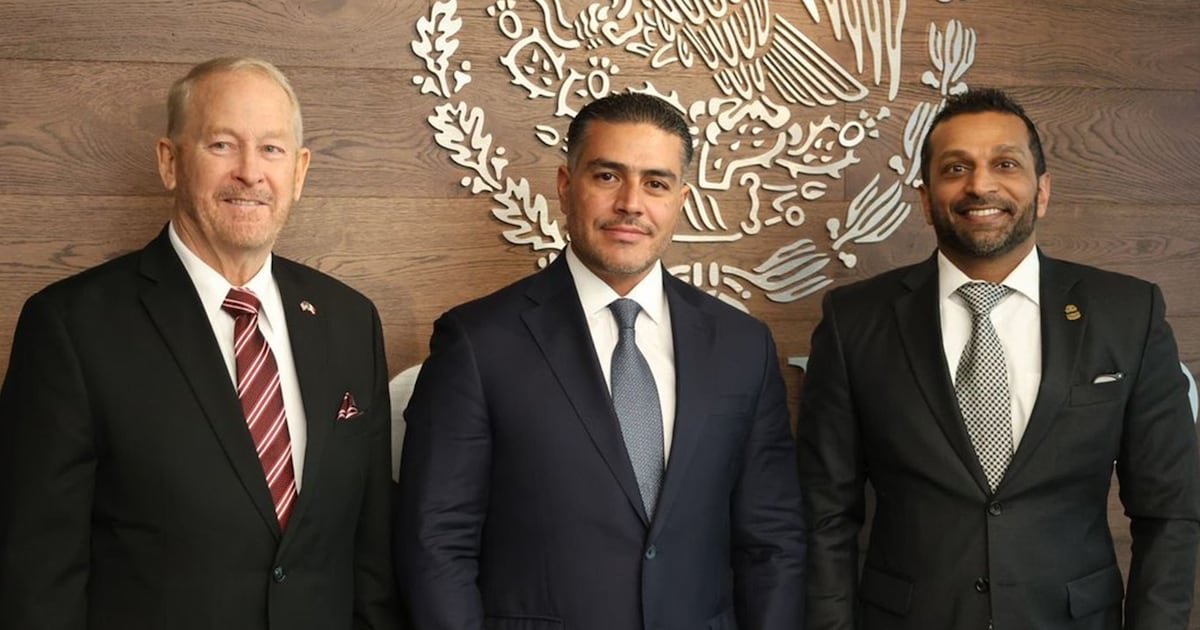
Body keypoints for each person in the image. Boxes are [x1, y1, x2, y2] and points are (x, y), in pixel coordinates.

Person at [0, 57, 398, 629]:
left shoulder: (350, 321)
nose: (249, 173)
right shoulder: (72, 326)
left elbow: (371, 559)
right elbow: (37, 576)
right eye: (221, 145)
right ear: (170, 162)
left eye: (271, 149)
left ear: (300, 171)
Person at [394, 92, 805, 630]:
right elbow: (436, 541)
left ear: (681, 200)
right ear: (566, 187)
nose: (631, 203)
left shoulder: (741, 345)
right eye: (608, 176)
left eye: (655, 183)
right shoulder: (477, 342)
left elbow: (773, 538)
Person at [797, 87, 1200, 629]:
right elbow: (824, 515)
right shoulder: (854, 320)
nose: (980, 185)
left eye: (1005, 164)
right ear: (926, 198)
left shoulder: (1128, 312)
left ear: (1042, 190)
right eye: (955, 168)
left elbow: (1170, 511)